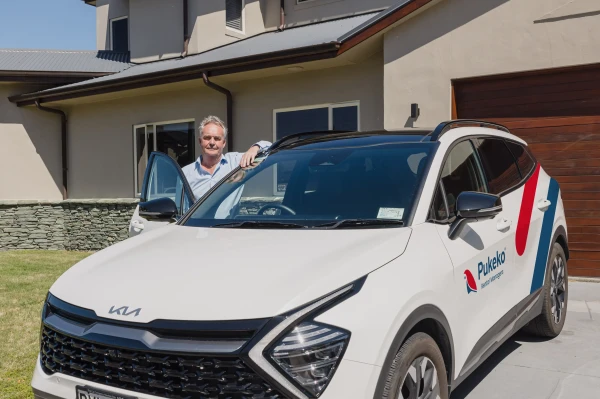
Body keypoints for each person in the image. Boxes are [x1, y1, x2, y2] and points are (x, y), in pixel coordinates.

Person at [182, 115, 271, 200]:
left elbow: (270, 148)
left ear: (224, 143)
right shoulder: (185, 173)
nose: (212, 142)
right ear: (200, 141)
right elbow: (181, 210)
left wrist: (255, 148)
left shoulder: (236, 163)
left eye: (217, 138)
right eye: (207, 138)